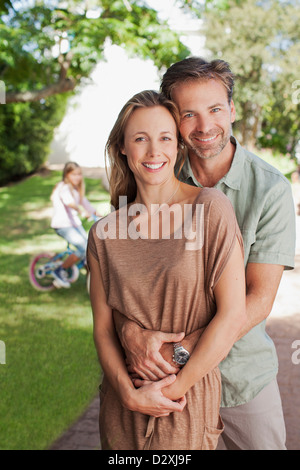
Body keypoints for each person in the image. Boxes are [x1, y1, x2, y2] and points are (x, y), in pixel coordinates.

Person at [115, 58, 296, 450]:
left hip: (239, 377)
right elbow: (119, 273)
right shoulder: (157, 167)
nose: (204, 126)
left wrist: (180, 353)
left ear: (232, 109)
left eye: (215, 109)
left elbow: (259, 300)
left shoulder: (270, 190)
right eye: (188, 115)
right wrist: (130, 332)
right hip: (158, 376)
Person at [87, 90, 247, 450]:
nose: (154, 151)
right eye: (140, 139)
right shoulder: (103, 234)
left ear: (178, 147)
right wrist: (130, 395)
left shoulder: (210, 209)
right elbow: (102, 328)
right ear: (123, 147)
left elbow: (232, 315)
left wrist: (172, 389)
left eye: (164, 138)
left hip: (185, 403)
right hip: (121, 408)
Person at [50, 161, 98, 288]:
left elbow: (86, 204)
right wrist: (81, 211)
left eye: (79, 174)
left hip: (74, 224)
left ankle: (92, 280)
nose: (77, 177)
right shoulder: (63, 187)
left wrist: (99, 215)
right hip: (63, 225)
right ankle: (60, 270)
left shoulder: (76, 190)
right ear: (67, 175)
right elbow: (69, 202)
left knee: (90, 249)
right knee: (84, 249)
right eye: (74, 174)